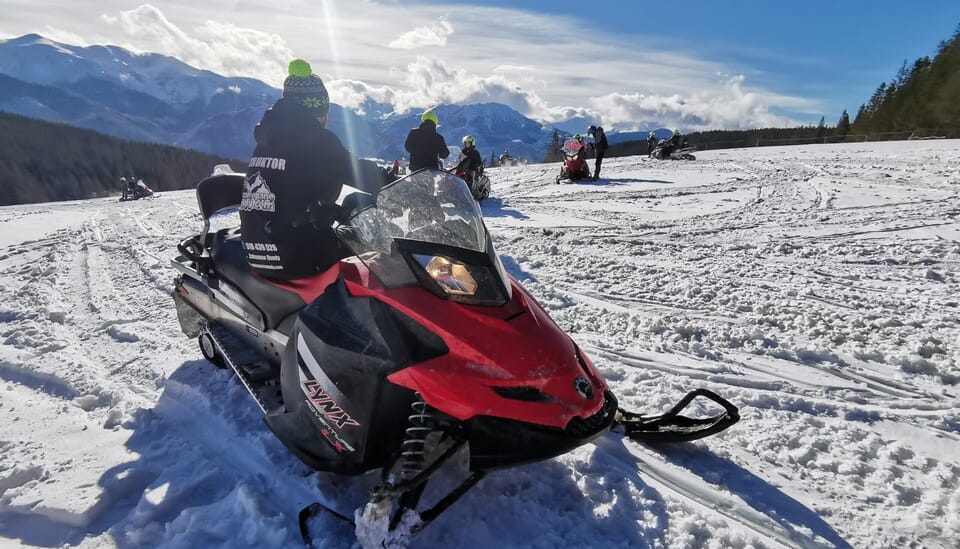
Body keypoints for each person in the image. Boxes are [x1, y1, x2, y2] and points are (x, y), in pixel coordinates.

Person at [239, 58, 382, 280]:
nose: (326, 118)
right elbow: (360, 173)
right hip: (297, 253)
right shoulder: (317, 140)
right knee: (376, 265)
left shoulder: (267, 137)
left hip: (257, 250)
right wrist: (396, 181)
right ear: (316, 108)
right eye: (324, 111)